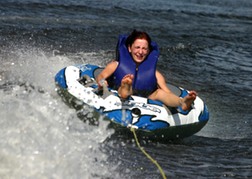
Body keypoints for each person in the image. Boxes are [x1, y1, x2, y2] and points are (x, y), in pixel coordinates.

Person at [96, 30, 196, 111]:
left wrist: (176, 100)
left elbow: (167, 92)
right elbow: (100, 77)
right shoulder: (115, 65)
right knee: (124, 89)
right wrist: (102, 83)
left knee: (160, 93)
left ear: (148, 51)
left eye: (144, 49)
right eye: (137, 47)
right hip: (119, 94)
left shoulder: (155, 74)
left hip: (145, 97)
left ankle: (182, 102)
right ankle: (126, 86)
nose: (140, 52)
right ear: (130, 48)